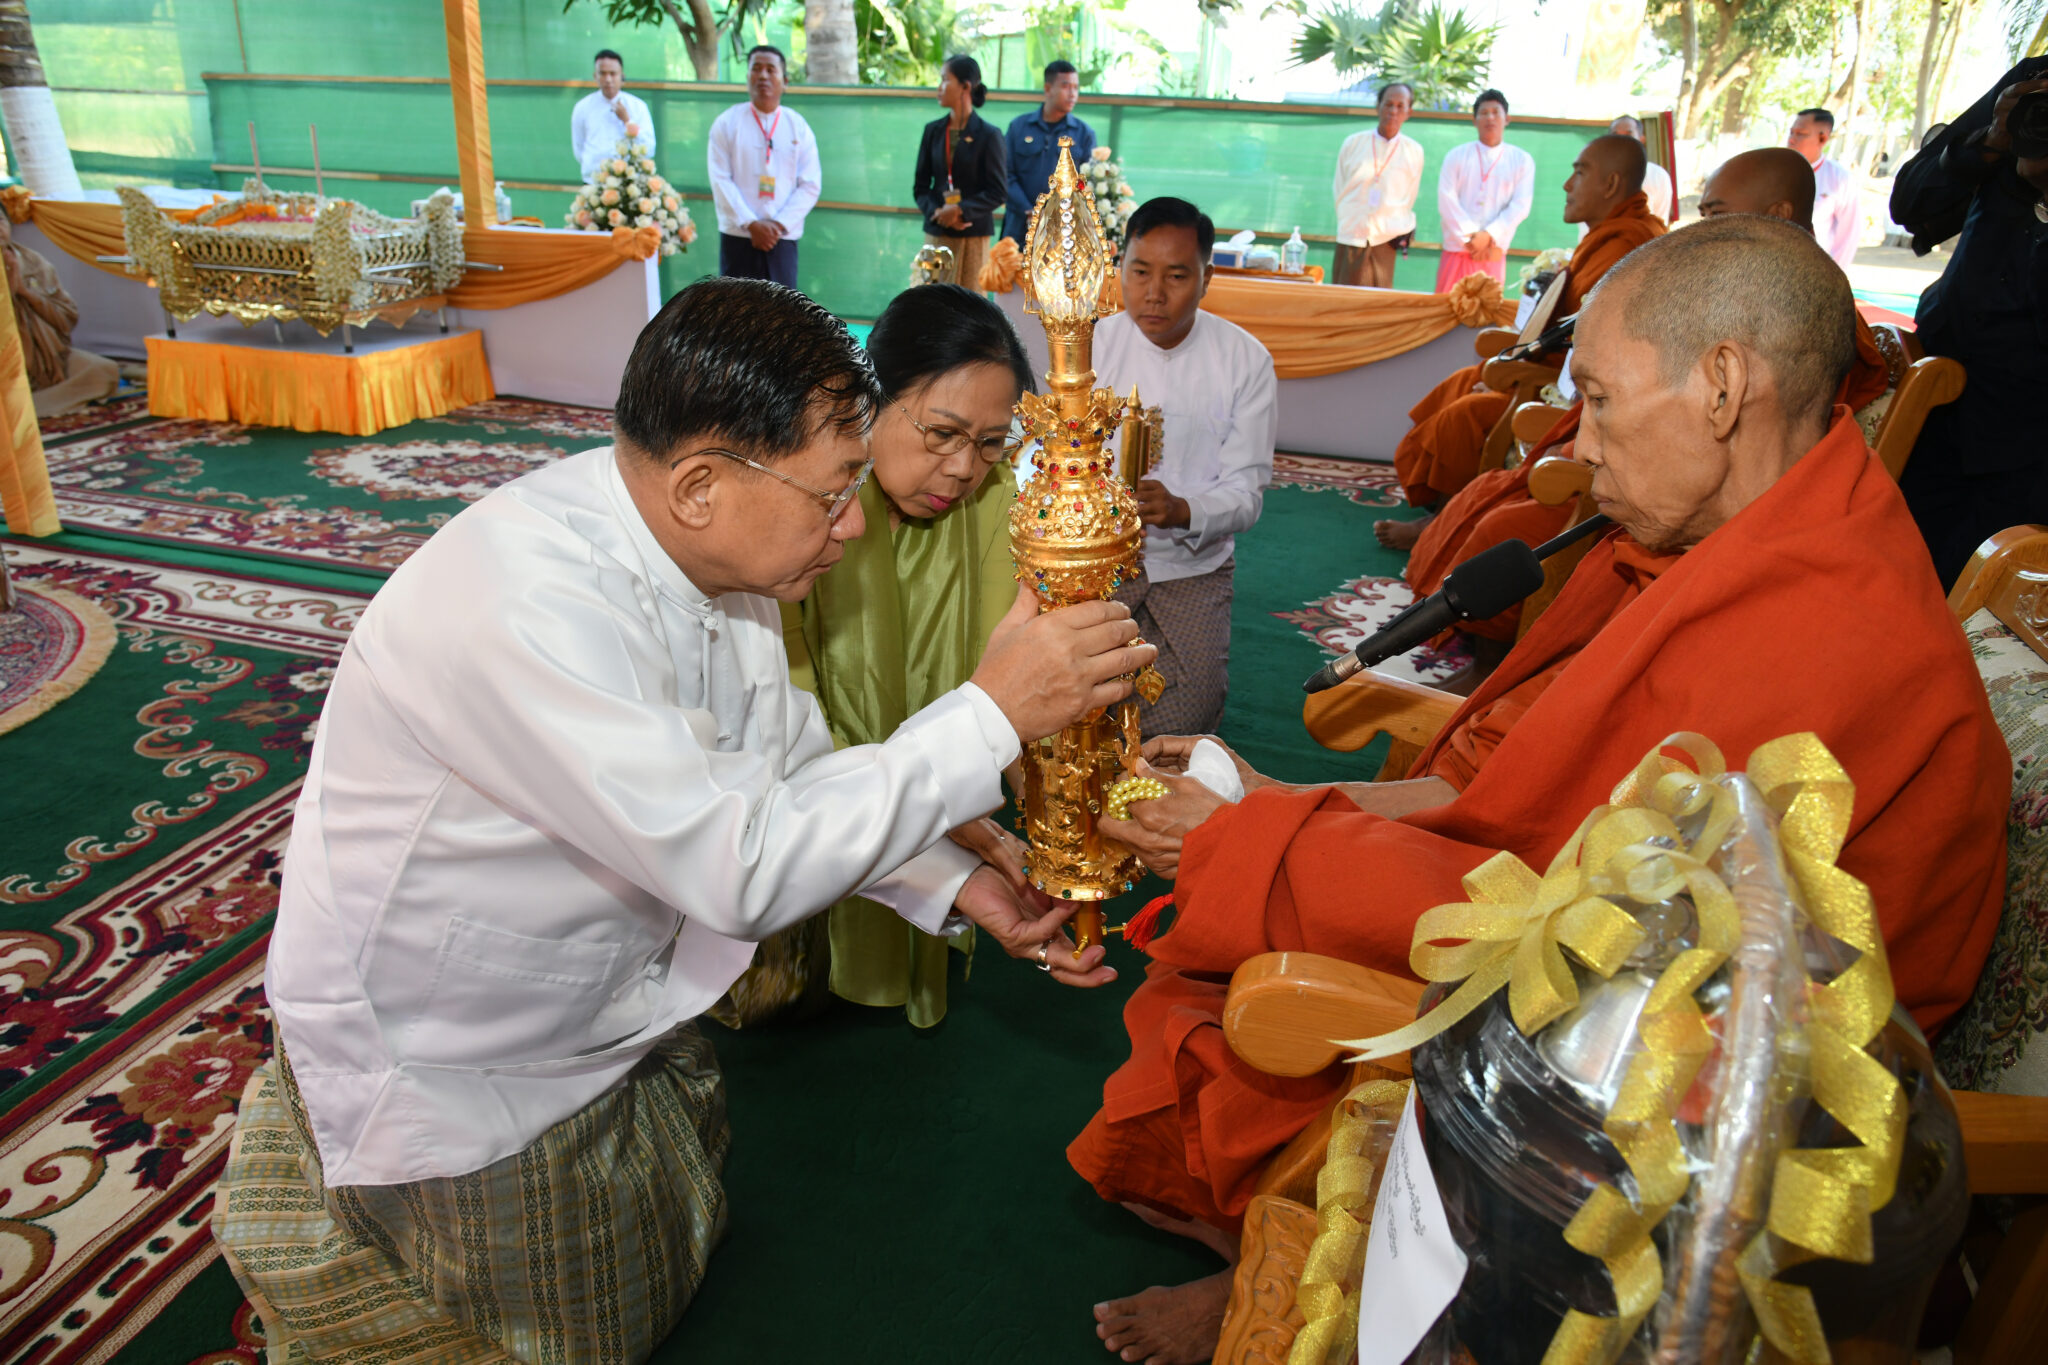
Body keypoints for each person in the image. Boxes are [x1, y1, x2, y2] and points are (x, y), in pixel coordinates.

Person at [1073, 217, 2009, 1365]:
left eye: (1601, 402)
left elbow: (1590, 944)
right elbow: (1520, 805)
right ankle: (1273, 1232)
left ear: (1721, 388)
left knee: (1260, 957)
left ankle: (1304, 1264)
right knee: (1243, 923)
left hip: (1722, 1092)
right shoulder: (1737, 538)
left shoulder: (1819, 639)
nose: (1580, 443)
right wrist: (1270, 800)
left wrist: (1247, 847)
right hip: (1621, 945)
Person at [211, 278, 1156, 1362]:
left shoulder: (703, 546)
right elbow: (737, 868)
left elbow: (787, 763)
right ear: (702, 483)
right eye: (833, 493)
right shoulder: (524, 606)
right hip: (458, 1043)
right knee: (558, 1333)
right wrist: (991, 713)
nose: (854, 524)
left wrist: (953, 879)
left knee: (660, 1245)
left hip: (602, 981)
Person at [1396, 150, 1894, 705]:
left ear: (1727, 387)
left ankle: (1492, 670)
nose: (1701, 232)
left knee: (1515, 526)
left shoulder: (1802, 327)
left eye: (1716, 214)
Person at [786, 283, 1038, 1030]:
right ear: (873, 399)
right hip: (791, 798)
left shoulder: (992, 500)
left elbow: (1001, 668)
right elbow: (784, 711)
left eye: (990, 443)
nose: (964, 469)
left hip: (924, 799)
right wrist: (929, 801)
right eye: (942, 433)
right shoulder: (800, 501)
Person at [1381, 133, 1665, 538]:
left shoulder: (1628, 247)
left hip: (1570, 392)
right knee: (1463, 381)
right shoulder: (1609, 236)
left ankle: (1442, 523)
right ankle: (1441, 505)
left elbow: (1599, 351)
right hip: (1552, 368)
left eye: (1579, 173)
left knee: (1466, 414)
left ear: (1611, 184)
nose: (1567, 185)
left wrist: (1521, 375)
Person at [1092, 197, 1278, 738]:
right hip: (1099, 564)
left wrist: (1183, 510)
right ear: (1119, 269)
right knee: (1071, 704)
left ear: (1206, 279)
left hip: (1192, 566)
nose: (1154, 293)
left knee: (1189, 718)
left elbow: (1246, 493)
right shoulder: (1092, 345)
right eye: (1139, 272)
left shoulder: (1245, 361)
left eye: (1176, 276)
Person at [1890, 56, 2048, 586]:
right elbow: (1911, 203)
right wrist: (1991, 142)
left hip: (2029, 448)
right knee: (1887, 576)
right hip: (1938, 404)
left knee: (1978, 604)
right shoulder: (2034, 86)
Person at [708, 45, 821, 289]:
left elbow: (810, 184)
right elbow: (720, 179)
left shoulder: (798, 126)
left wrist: (777, 225)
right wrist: (751, 223)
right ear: (747, 77)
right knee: (734, 307)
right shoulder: (727, 123)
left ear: (785, 81)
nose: (763, 76)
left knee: (783, 308)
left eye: (771, 70)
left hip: (781, 239)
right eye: (756, 69)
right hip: (739, 236)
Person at [914, 55, 1007, 289]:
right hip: (937, 232)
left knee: (969, 301)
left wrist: (960, 211)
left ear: (965, 86)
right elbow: (920, 187)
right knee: (932, 299)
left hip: (972, 236)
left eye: (945, 79)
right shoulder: (933, 131)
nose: (939, 87)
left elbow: (998, 192)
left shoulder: (989, 135)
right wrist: (938, 213)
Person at [1434, 89, 1535, 291]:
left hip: (1493, 252)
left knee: (1487, 308)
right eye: (1484, 112)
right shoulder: (1456, 155)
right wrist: (1471, 237)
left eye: (1496, 112)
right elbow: (1446, 200)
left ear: (1507, 119)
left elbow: (1520, 206)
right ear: (1474, 120)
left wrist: (1488, 235)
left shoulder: (1521, 160)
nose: (1490, 117)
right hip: (1458, 249)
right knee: (1446, 306)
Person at [1332, 83, 1425, 288]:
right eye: (1388, 104)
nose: (1393, 111)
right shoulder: (1353, 143)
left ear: (1409, 112)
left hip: (1386, 238)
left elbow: (1409, 196)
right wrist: (1350, 219)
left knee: (1378, 300)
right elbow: (1339, 187)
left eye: (1400, 106)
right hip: (1352, 235)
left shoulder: (1413, 151)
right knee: (1344, 297)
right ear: (1378, 106)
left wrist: (1394, 225)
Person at [1005, 60, 1096, 247]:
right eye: (1065, 86)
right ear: (1048, 89)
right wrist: (1030, 211)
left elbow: (1087, 183)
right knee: (1011, 266)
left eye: (1076, 87)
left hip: (1064, 233)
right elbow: (1005, 175)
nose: (1072, 94)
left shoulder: (1083, 133)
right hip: (1019, 227)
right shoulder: (1019, 127)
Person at [1788, 107, 1860, 267]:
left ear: (1822, 139)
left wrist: (1833, 273)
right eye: (1791, 132)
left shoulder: (1840, 179)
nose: (1792, 139)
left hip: (1813, 268)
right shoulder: (1775, 172)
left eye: (1800, 134)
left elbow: (1848, 235)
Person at [572, 48, 656, 183]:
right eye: (602, 73)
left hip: (629, 184)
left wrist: (627, 121)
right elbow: (579, 147)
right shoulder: (582, 107)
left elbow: (649, 148)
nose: (608, 79)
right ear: (595, 76)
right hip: (594, 182)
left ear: (622, 76)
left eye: (613, 73)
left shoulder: (637, 106)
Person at [1609, 114, 1674, 223]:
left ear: (1641, 139)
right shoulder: (1597, 176)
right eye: (1616, 136)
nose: (1622, 140)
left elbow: (1660, 220)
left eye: (1629, 135)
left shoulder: (1657, 175)